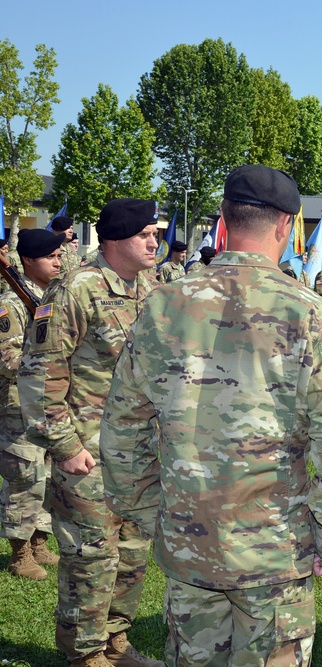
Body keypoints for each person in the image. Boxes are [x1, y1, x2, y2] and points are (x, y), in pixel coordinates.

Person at [100, 164, 322, 667]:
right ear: (287, 225)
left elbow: (122, 426)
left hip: (187, 535)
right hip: (276, 546)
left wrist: (146, 512)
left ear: (223, 216)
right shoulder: (309, 313)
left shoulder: (161, 304)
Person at [19, 199, 163, 667]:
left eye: (154, 233)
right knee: (91, 560)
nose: (154, 240)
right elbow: (40, 373)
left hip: (140, 454)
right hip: (88, 454)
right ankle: (83, 655)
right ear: (118, 238)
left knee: (133, 555)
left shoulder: (148, 286)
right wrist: (64, 447)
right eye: (145, 233)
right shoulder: (75, 289)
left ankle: (115, 643)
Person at [0, 229, 64, 580]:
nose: (58, 262)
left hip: (45, 403)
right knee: (24, 477)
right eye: (50, 257)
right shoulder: (12, 302)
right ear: (28, 261)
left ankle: (39, 541)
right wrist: (41, 369)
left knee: (48, 476)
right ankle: (19, 553)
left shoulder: (48, 296)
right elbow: (5, 354)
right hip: (17, 405)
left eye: (58, 255)